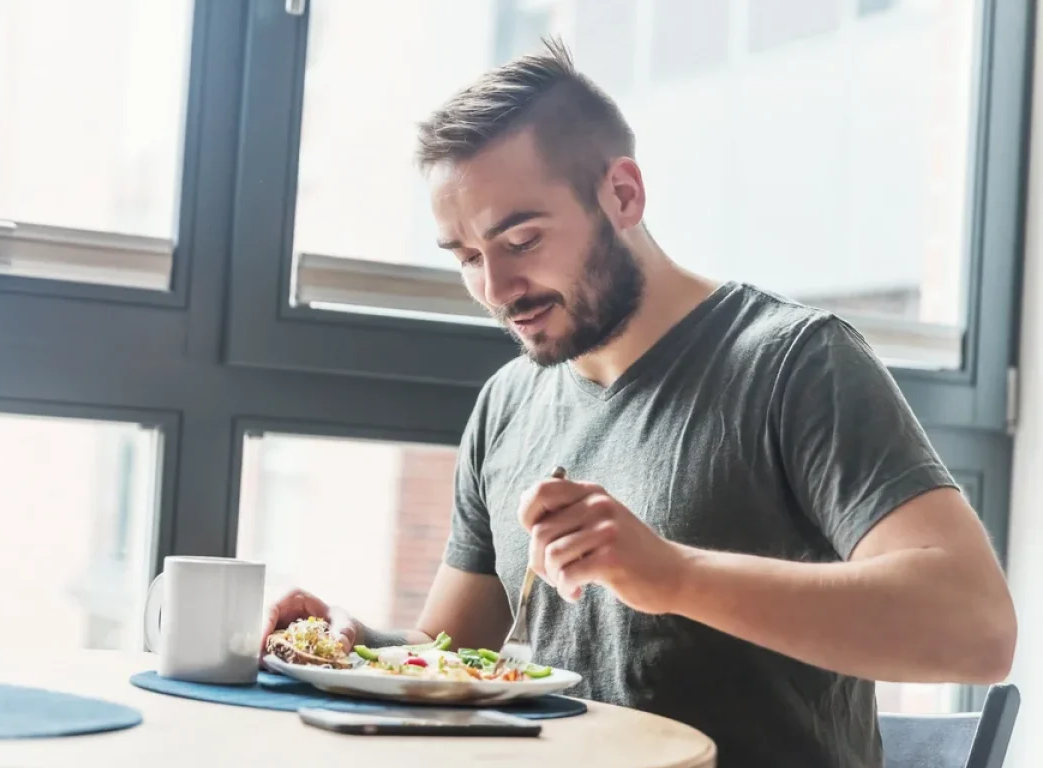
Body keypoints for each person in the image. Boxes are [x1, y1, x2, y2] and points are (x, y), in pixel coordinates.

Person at [261, 39, 1017, 767]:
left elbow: (977, 629)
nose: (494, 291)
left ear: (622, 194)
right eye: (466, 258)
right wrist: (354, 645)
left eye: (520, 240)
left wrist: (675, 577)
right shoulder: (507, 404)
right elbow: (455, 655)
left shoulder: (797, 362)